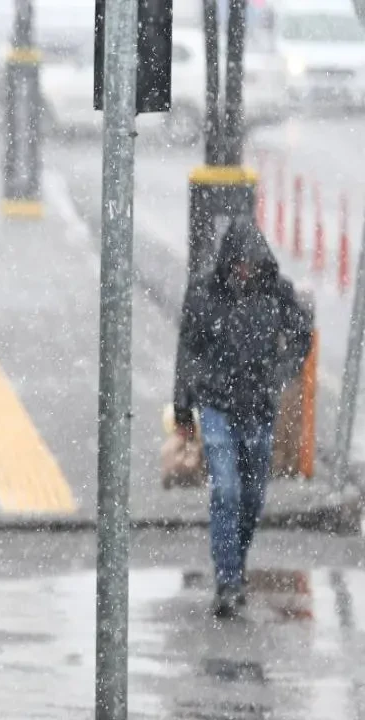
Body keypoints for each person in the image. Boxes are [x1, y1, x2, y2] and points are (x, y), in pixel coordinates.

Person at [173, 219, 312, 619]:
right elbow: (188, 354)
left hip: (259, 407)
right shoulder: (202, 293)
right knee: (226, 492)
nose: (244, 272)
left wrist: (280, 372)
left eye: (250, 264)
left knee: (252, 498)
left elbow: (301, 334)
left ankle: (235, 560)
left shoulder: (275, 290)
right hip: (216, 404)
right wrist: (184, 408)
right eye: (238, 264)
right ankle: (228, 581)